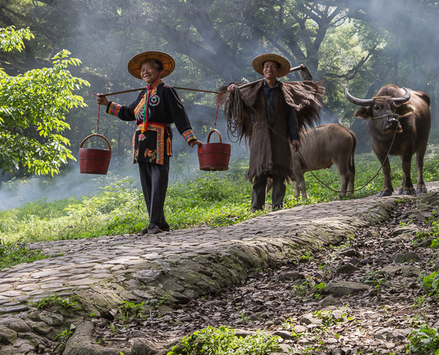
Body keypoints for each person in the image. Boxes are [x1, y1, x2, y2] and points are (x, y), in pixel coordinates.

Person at [96, 51, 202, 235]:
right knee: (147, 182)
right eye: (142, 70)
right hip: (142, 142)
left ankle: (154, 223)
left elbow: (179, 115)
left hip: (159, 140)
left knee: (158, 180)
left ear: (158, 71)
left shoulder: (166, 90)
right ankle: (159, 222)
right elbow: (129, 113)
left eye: (149, 69)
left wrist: (190, 137)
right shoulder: (142, 94)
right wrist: (107, 103)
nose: (145, 72)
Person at [225, 53, 324, 211]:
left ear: (278, 71)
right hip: (260, 136)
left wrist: (294, 138)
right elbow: (239, 105)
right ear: (262, 71)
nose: (268, 69)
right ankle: (256, 207)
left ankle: (278, 206)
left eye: (272, 67)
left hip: (279, 134)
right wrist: (232, 92)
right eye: (266, 67)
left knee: (280, 172)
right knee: (260, 172)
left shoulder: (285, 91)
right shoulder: (253, 90)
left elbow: (291, 117)